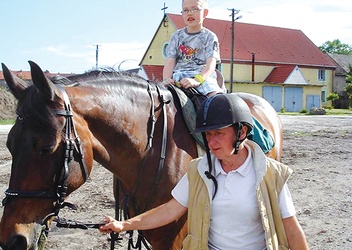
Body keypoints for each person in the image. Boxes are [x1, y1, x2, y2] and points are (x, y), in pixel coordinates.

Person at [99, 94, 309, 249]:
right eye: (207, 135)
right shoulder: (200, 170)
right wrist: (124, 225)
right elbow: (170, 210)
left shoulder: (271, 175)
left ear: (242, 132)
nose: (211, 142)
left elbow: (291, 227)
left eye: (219, 133)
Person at [162, 0, 225, 96]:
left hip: (202, 77)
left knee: (216, 100)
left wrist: (197, 80)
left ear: (205, 12)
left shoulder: (210, 36)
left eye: (195, 9)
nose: (190, 13)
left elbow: (211, 64)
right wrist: (166, 79)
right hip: (179, 76)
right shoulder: (176, 36)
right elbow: (170, 61)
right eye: (185, 10)